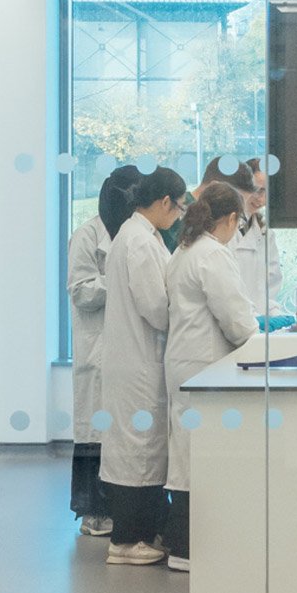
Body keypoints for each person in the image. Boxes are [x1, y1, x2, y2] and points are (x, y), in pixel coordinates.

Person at [162, 181, 259, 573]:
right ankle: (188, 549)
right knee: (197, 459)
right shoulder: (212, 255)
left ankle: (184, 546)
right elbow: (236, 320)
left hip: (185, 362)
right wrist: (262, 338)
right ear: (232, 218)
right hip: (202, 365)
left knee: (186, 455)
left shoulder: (184, 250)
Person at [96, 167, 186, 567]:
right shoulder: (139, 242)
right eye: (179, 206)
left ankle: (138, 534)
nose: (180, 215)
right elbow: (155, 306)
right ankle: (126, 541)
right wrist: (187, 315)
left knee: (139, 448)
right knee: (137, 450)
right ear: (165, 201)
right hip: (138, 362)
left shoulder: (139, 236)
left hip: (135, 359)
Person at [64, 163, 143, 539]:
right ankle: (93, 511)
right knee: (94, 431)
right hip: (97, 346)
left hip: (127, 348)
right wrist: (123, 284)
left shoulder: (136, 233)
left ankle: (121, 508)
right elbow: (81, 290)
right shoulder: (87, 235)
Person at [204, 157, 285, 320]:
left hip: (253, 322)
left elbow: (271, 286)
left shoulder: (264, 233)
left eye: (267, 192)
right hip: (232, 320)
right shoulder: (220, 228)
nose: (261, 199)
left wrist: (275, 315)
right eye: (257, 190)